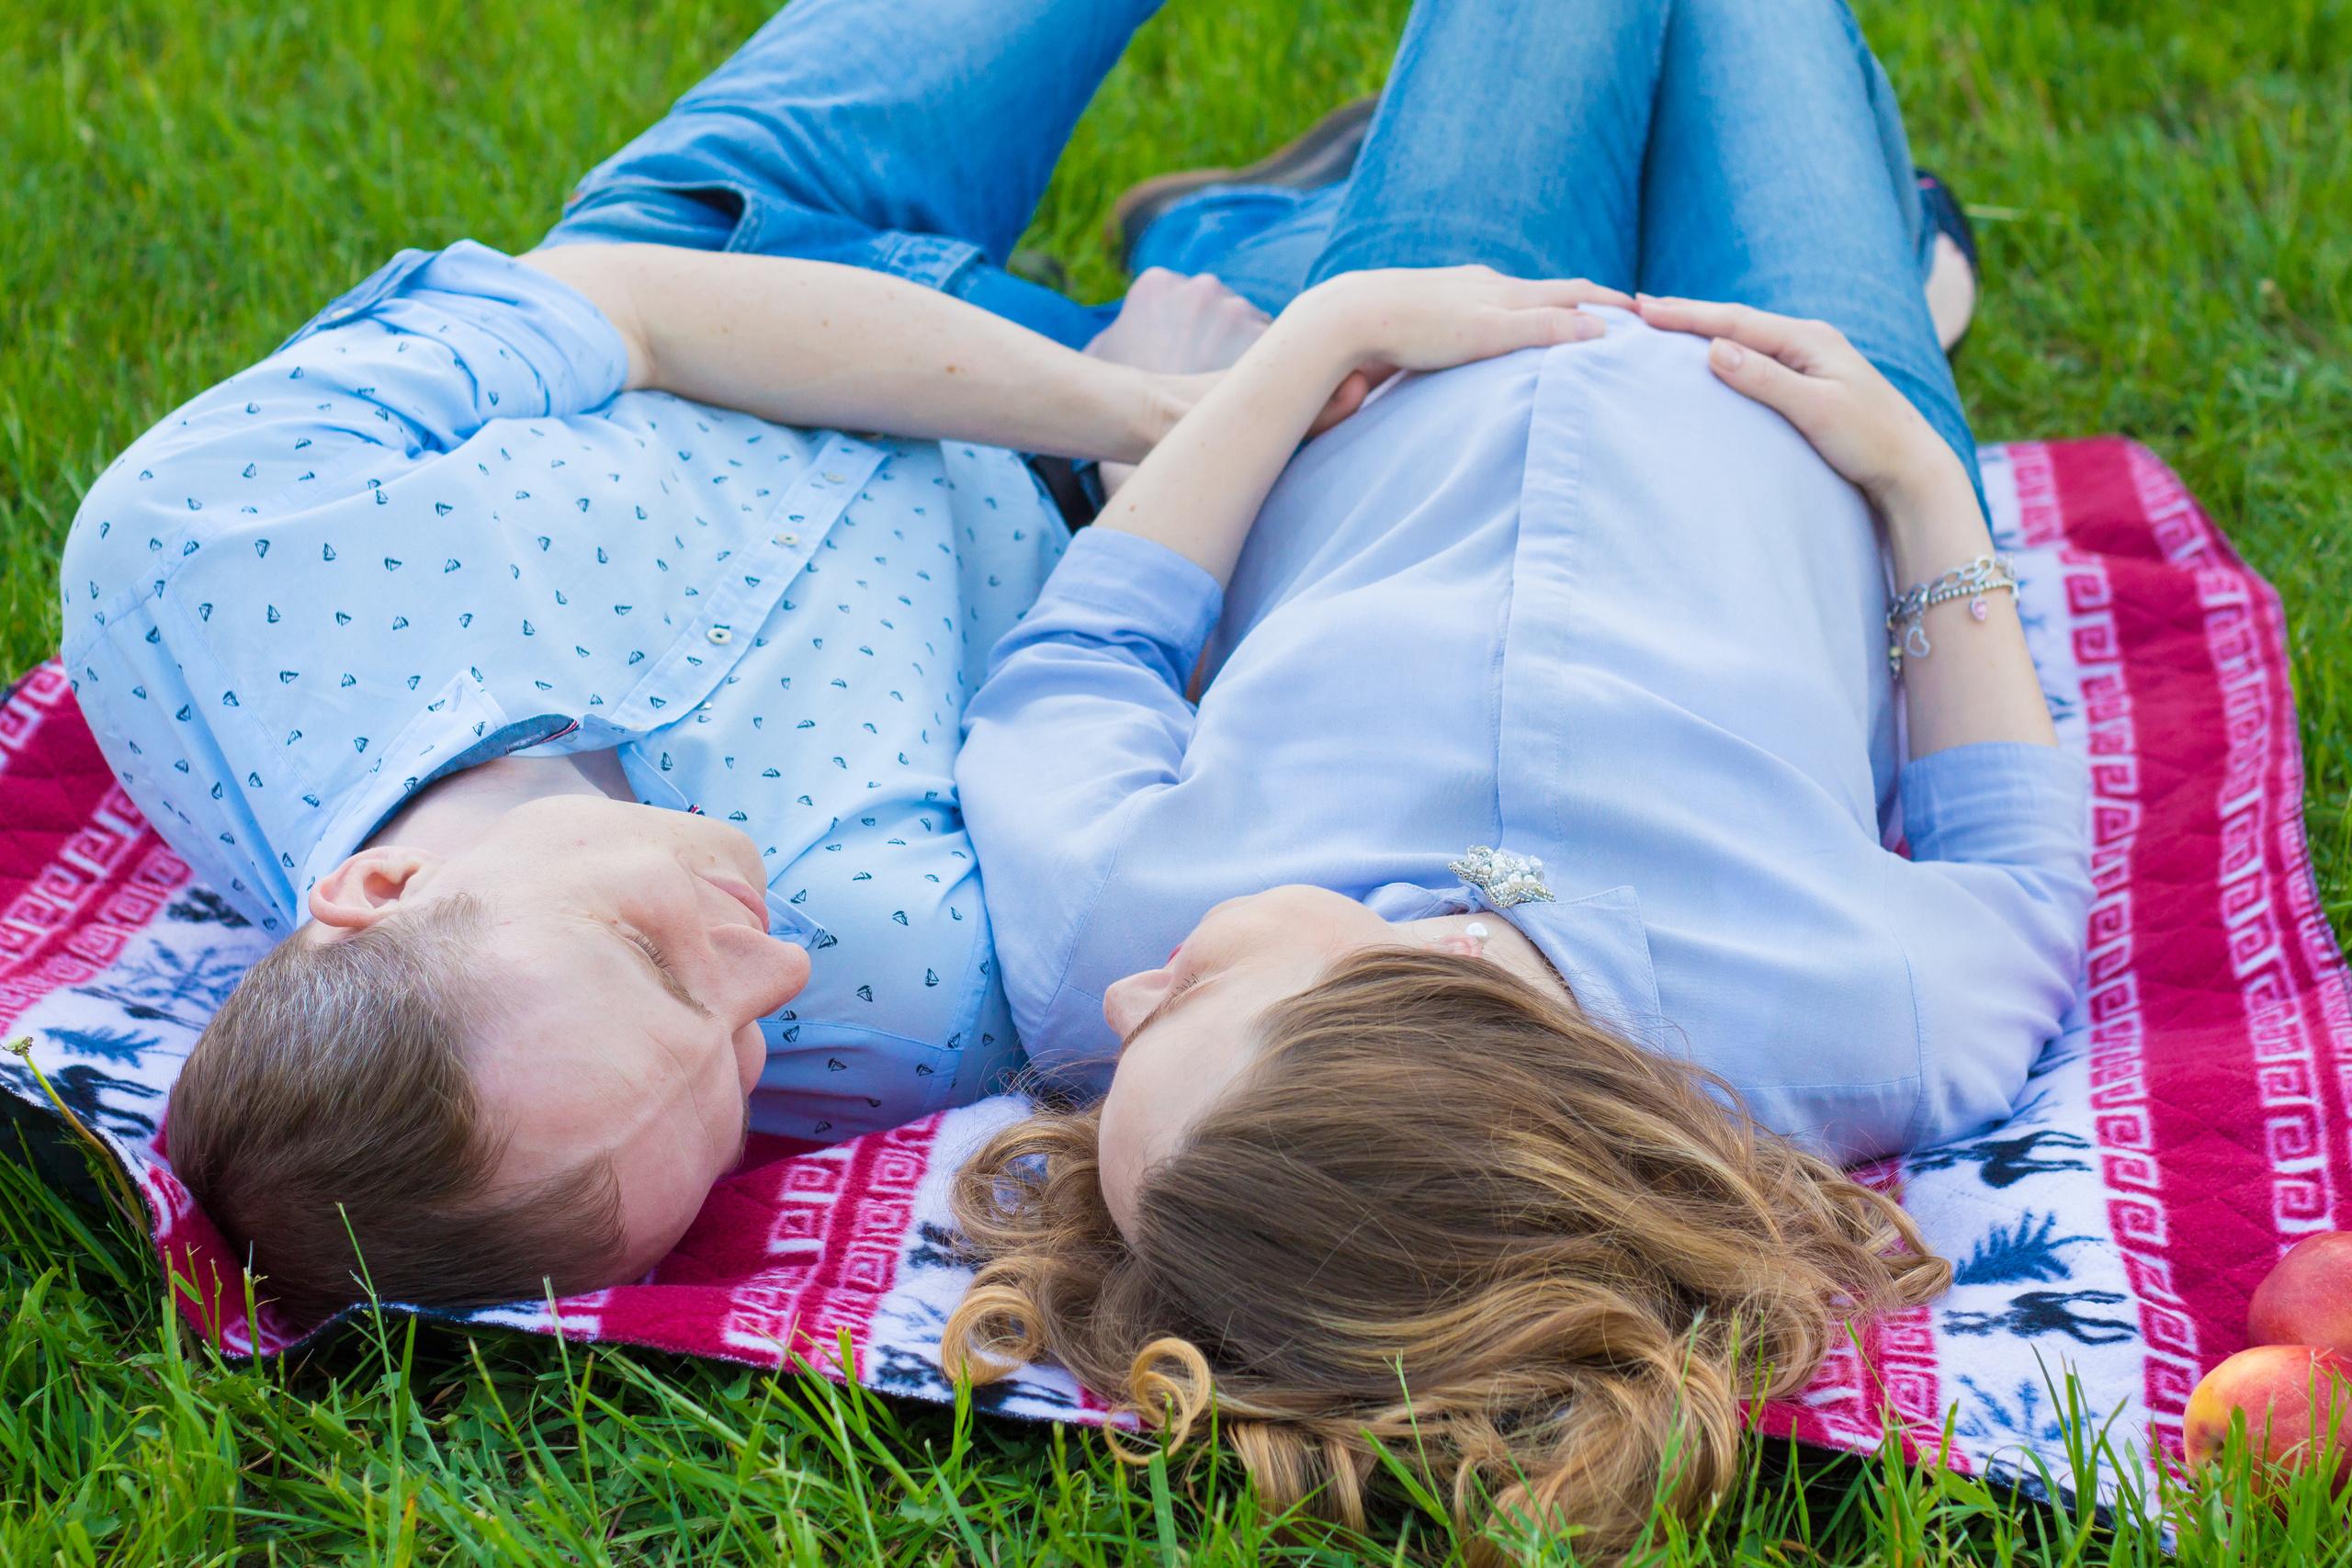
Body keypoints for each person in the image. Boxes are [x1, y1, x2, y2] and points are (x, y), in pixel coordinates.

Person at [940, 0, 2090, 1558]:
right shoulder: (1850, 1025)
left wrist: (1318, 342)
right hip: (1819, 409)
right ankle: (1254, 226)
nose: (1128, 1001)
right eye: (1190, 1000)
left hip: (1423, 345)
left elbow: (1087, 651)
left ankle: (1272, 243)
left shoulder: (1100, 937)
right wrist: (1920, 479)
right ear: (1429, 1005)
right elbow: (2013, 865)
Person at [57, 0, 1335, 1318]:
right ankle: (1227, 233)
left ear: (383, 887)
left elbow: (631, 309)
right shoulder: (904, 1029)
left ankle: (1226, 238)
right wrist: (1192, 441)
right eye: (738, 1076)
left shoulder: (200, 555)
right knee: (1440, 256)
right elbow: (1124, 696)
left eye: (653, 960)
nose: (778, 976)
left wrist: (1151, 401)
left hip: (752, 248)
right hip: (1081, 483)